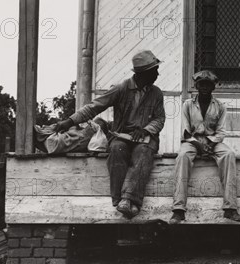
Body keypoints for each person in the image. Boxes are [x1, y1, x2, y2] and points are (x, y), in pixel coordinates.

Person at [55, 50, 165, 218]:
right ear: (143, 74)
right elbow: (94, 106)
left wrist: (145, 129)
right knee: (117, 149)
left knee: (144, 153)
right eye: (154, 70)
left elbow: (159, 119)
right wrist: (70, 121)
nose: (157, 73)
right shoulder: (121, 89)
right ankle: (118, 200)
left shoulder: (156, 93)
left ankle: (131, 200)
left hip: (145, 138)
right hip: (121, 135)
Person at [170, 70, 240, 224]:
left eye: (208, 85)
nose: (204, 87)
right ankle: (178, 210)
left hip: (212, 142)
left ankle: (230, 208)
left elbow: (221, 131)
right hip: (192, 141)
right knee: (182, 156)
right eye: (201, 84)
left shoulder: (220, 106)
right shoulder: (188, 105)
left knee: (228, 154)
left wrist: (210, 144)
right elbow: (185, 131)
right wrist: (198, 144)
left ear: (213, 87)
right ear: (196, 86)